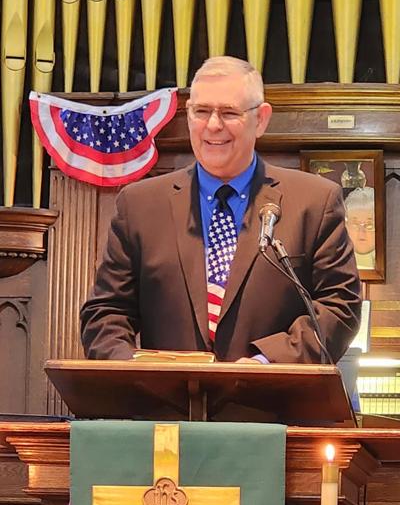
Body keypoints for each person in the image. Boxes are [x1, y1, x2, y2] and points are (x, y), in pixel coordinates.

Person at [80, 56, 361, 364]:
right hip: (164, 406)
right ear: (188, 116)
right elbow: (105, 314)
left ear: (261, 119)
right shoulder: (140, 204)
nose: (213, 125)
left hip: (272, 406)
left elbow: (339, 307)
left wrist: (267, 363)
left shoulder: (314, 202)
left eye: (229, 112)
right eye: (201, 111)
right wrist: (135, 366)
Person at [345, 186, 376, 270]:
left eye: (369, 225)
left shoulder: (393, 262)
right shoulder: (334, 261)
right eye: (355, 224)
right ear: (346, 225)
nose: (362, 232)